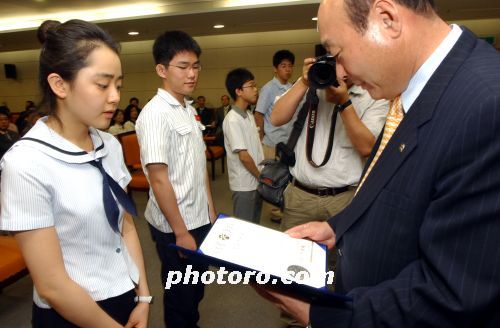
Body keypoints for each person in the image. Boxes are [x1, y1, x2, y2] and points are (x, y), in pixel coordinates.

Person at [258, 0, 500, 327]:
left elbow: (452, 292)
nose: (339, 72)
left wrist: (320, 314)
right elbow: (392, 186)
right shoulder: (414, 91)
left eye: (337, 52)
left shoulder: (487, 105)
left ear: (387, 20)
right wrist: (336, 227)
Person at [0, 19, 150, 327]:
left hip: (126, 294)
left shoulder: (109, 144)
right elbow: (52, 284)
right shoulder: (27, 162)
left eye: (118, 85)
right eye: (102, 84)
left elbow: (126, 228)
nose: (114, 97)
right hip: (71, 312)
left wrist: (144, 297)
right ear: (59, 85)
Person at [135, 30, 217, 327]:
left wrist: (210, 211)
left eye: (196, 66)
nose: (192, 73)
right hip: (175, 226)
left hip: (199, 218)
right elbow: (158, 179)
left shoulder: (188, 108)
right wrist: (181, 232)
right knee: (180, 295)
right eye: (183, 67)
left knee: (195, 289)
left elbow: (198, 166)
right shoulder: (155, 114)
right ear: (161, 70)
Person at [223, 68, 264, 223]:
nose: (256, 90)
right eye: (251, 86)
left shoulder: (248, 115)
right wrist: (261, 178)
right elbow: (244, 157)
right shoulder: (232, 119)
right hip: (245, 184)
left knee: (255, 225)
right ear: (239, 91)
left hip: (255, 180)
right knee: (245, 228)